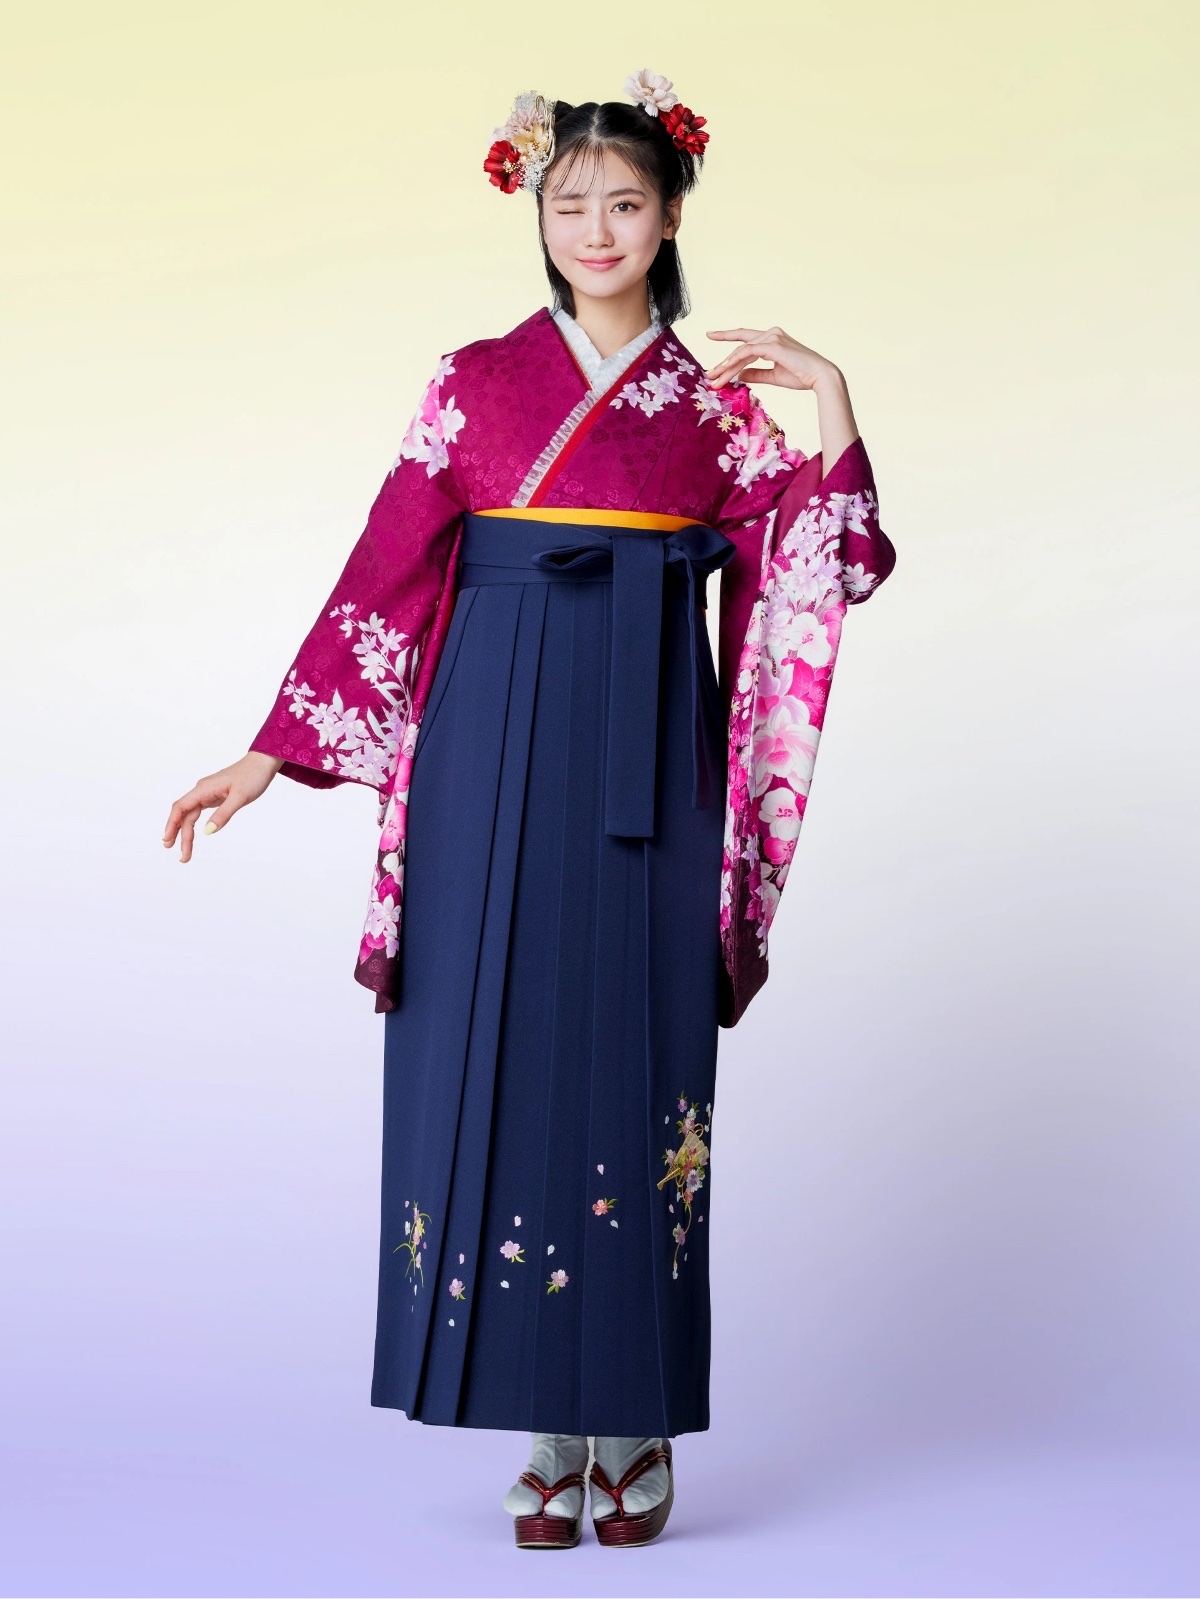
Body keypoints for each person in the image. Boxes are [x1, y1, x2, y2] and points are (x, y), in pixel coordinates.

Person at [163, 70, 896, 1549]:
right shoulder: (472, 380)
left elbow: (831, 566)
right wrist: (275, 748)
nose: (598, 229)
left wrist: (831, 397)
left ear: (671, 215)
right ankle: (546, 1424)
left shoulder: (715, 414)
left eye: (627, 202)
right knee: (482, 1042)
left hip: (646, 739)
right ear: (537, 217)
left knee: (633, 1049)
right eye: (572, 205)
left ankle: (633, 1419)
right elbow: (387, 564)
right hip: (485, 734)